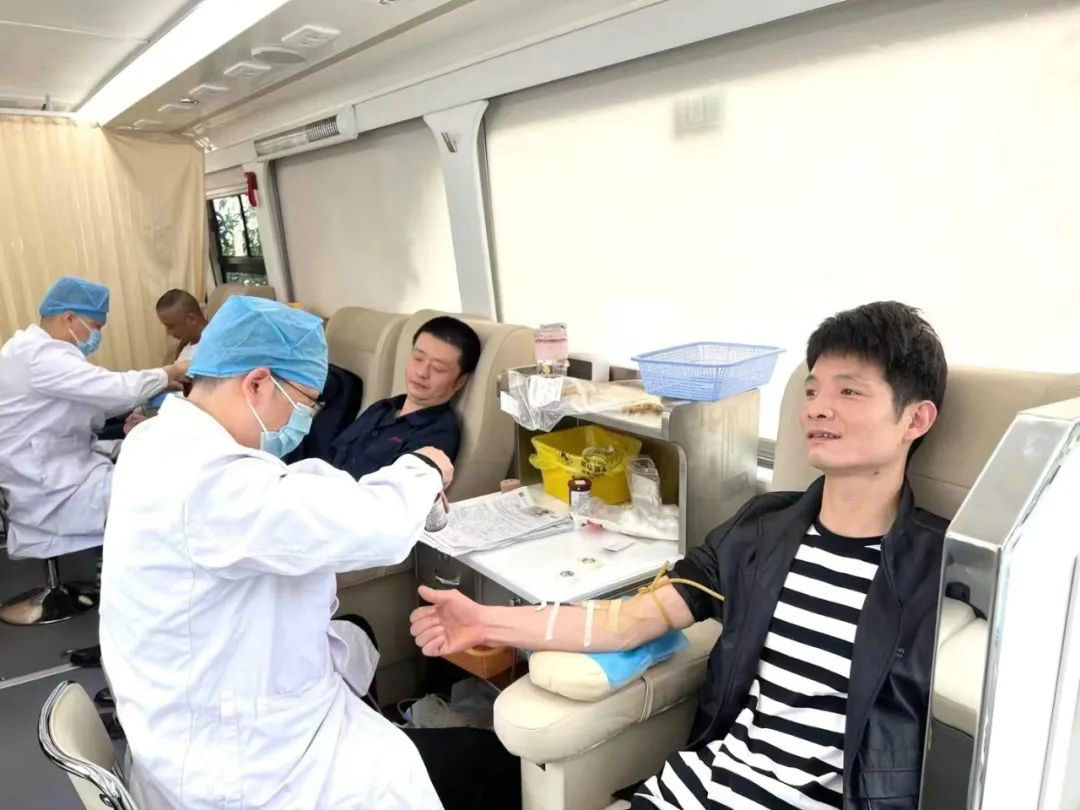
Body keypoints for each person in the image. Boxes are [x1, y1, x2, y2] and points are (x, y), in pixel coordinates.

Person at [411, 301, 949, 810]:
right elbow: (629, 622)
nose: (817, 408)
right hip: (693, 789)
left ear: (916, 420)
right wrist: (484, 621)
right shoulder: (762, 530)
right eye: (811, 391)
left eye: (849, 391)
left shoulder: (943, 568)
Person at [99, 295, 456, 810]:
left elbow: (286, 495)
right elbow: (373, 525)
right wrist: (422, 469)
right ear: (258, 383)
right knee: (402, 774)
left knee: (356, 655)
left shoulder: (157, 440)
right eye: (307, 402)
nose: (306, 419)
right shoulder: (213, 481)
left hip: (186, 711)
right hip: (242, 764)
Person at [0, 277, 188, 560]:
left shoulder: (28, 350)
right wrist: (172, 371)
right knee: (162, 495)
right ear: (69, 318)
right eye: (96, 327)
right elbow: (116, 388)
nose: (96, 335)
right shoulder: (39, 356)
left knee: (141, 463)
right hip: (53, 489)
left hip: (53, 467)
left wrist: (151, 391)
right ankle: (126, 573)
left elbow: (84, 403)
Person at [329, 316, 481, 478]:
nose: (422, 373)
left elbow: (391, 490)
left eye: (438, 368)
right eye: (418, 358)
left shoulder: (437, 436)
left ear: (460, 381)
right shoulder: (383, 407)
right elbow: (333, 454)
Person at [155, 288, 208, 363]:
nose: (168, 333)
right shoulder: (185, 344)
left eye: (171, 326)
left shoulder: (212, 347)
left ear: (192, 319)